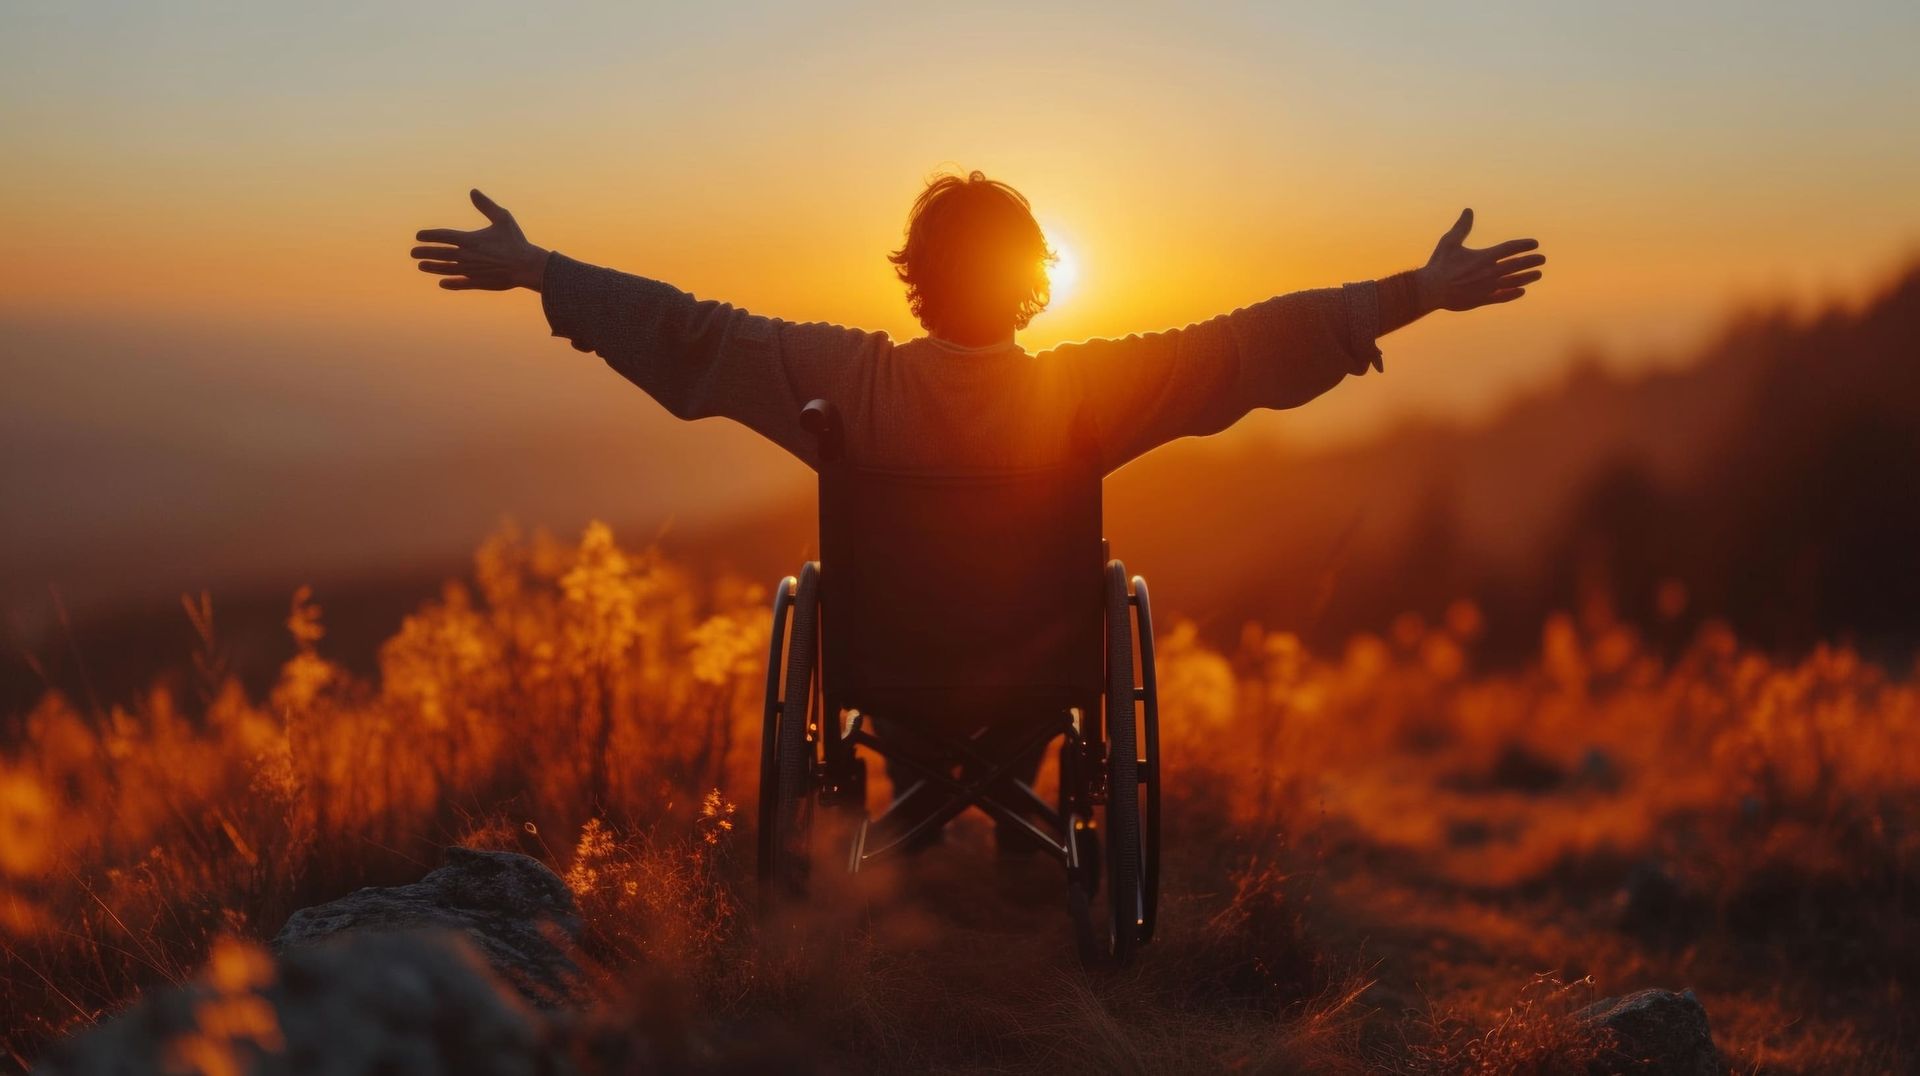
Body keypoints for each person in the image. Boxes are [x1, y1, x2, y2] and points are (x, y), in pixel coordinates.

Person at [410, 170, 1544, 860]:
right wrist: (1412, 294)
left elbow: (690, 334)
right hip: (1038, 672)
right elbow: (1241, 349)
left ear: (917, 275)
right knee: (1061, 620)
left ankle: (920, 801)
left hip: (886, 667)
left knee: (866, 622)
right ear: (1030, 280)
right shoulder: (1084, 396)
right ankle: (1007, 806)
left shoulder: (845, 381)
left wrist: (540, 269)